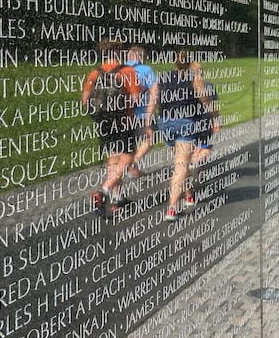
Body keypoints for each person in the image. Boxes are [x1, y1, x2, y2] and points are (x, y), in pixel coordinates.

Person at [146, 52, 218, 221]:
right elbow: (206, 101)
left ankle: (189, 196)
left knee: (181, 163)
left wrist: (148, 123)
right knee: (181, 167)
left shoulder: (163, 77)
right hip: (185, 123)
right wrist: (214, 117)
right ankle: (172, 209)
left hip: (165, 123)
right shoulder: (194, 78)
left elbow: (153, 99)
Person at [81, 39, 142, 216]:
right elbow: (136, 99)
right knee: (128, 159)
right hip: (124, 121)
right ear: (118, 51)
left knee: (114, 160)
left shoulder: (95, 73)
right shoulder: (127, 71)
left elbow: (85, 101)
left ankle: (117, 200)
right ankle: (104, 191)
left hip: (104, 122)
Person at [125, 46, 157, 178]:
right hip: (141, 113)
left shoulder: (121, 69)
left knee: (128, 144)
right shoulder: (146, 70)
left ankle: (127, 169)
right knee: (149, 140)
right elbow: (154, 93)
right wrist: (149, 117)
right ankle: (132, 165)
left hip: (123, 114)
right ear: (140, 57)